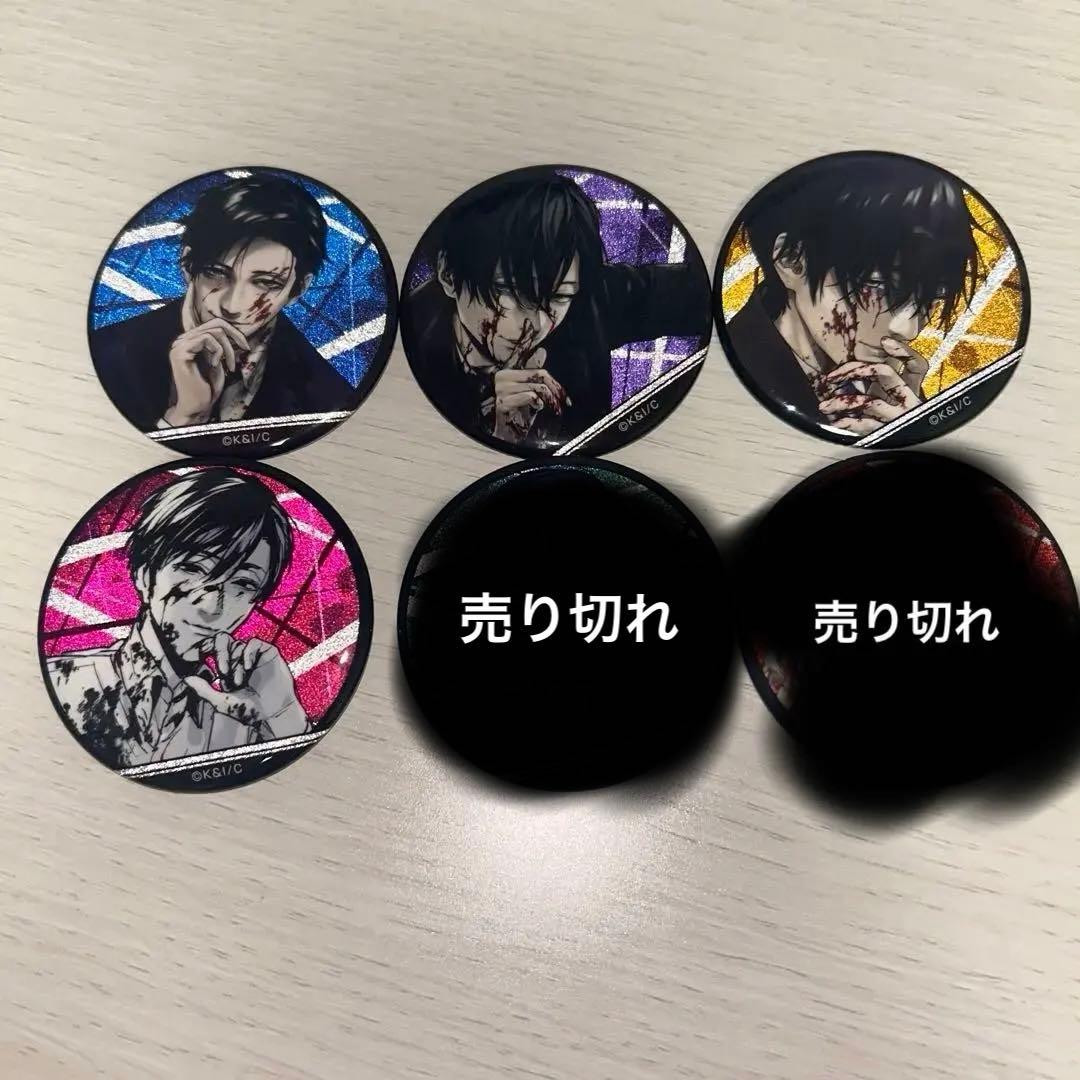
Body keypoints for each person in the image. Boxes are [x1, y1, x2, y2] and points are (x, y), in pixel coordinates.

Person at [403, 174, 711, 448]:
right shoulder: (410, 346)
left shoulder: (590, 301)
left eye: (560, 296)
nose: (536, 323)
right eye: (510, 292)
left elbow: (699, 292)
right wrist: (503, 435)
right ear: (449, 275)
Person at [47, 469, 308, 768]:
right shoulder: (64, 679)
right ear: (145, 574)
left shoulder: (250, 717)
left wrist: (283, 713)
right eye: (193, 568)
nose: (211, 607)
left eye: (243, 584)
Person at [726, 156, 982, 435]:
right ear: (792, 260)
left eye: (934, 297)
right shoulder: (731, 374)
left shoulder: (888, 388)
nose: (908, 330)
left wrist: (911, 430)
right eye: (877, 287)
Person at [92, 175, 348, 431]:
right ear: (187, 265)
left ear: (298, 289)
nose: (232, 306)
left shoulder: (326, 394)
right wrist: (182, 418)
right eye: (216, 273)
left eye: (266, 283)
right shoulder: (108, 354)